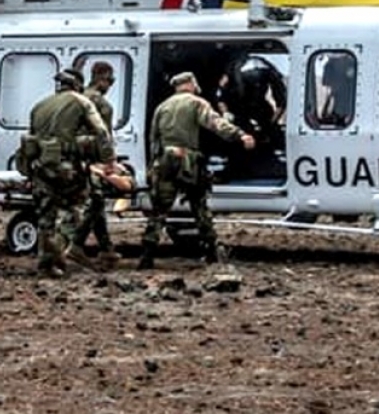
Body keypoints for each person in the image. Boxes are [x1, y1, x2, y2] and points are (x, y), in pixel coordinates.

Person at [139, 71, 255, 269]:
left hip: (164, 162)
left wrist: (154, 168)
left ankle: (147, 255)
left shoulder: (162, 107)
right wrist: (240, 135)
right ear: (191, 84)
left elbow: (153, 140)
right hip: (187, 161)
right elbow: (215, 123)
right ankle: (211, 251)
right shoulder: (196, 103)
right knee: (200, 206)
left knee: (159, 211)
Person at [21, 68, 116, 278]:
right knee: (74, 212)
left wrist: (29, 174)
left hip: (40, 168)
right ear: (78, 85)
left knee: (46, 218)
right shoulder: (82, 102)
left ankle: (46, 265)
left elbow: (31, 139)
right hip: (67, 169)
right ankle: (61, 254)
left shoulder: (39, 106)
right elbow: (101, 132)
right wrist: (109, 161)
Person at [70, 61, 122, 265]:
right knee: (97, 200)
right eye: (110, 80)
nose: (110, 85)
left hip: (74, 157)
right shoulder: (101, 104)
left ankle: (106, 248)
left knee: (95, 202)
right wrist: (110, 163)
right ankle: (75, 244)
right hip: (92, 160)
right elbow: (104, 137)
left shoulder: (77, 98)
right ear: (102, 78)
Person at [214, 54, 287, 181]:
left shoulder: (264, 68)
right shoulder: (237, 67)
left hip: (257, 112)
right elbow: (220, 95)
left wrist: (271, 124)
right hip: (242, 111)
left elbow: (220, 94)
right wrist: (226, 114)